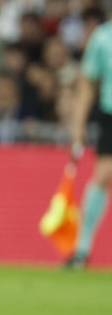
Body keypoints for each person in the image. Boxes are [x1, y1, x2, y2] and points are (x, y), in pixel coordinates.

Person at [69, 16, 112, 268]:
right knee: (104, 174)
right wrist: (78, 124)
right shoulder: (103, 37)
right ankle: (82, 249)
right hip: (110, 114)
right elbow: (87, 83)